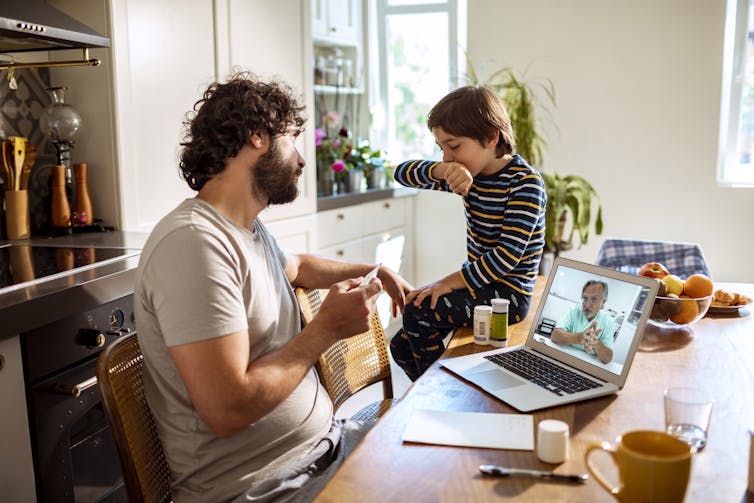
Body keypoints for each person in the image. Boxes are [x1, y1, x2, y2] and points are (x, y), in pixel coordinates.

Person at [134, 73, 412, 503]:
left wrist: (372, 269)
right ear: (257, 137)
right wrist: (325, 330)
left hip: (324, 449)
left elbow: (296, 266)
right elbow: (227, 409)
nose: (301, 160)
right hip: (264, 488)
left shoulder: (248, 228)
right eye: (293, 139)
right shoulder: (193, 244)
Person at [388, 85, 547, 381]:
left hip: (509, 295)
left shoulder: (525, 183)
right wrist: (440, 171)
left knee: (418, 313)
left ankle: (446, 393)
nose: (447, 156)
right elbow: (401, 173)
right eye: (441, 147)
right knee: (400, 346)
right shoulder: (463, 174)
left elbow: (505, 258)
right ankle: (433, 393)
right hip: (479, 284)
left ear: (491, 137)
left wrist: (445, 283)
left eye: (454, 145)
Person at [551, 280, 615, 363]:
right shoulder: (574, 310)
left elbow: (607, 358)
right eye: (585, 298)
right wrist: (580, 337)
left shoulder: (608, 321)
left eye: (594, 299)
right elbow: (555, 335)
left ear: (603, 302)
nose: (587, 305)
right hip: (565, 358)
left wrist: (595, 342)